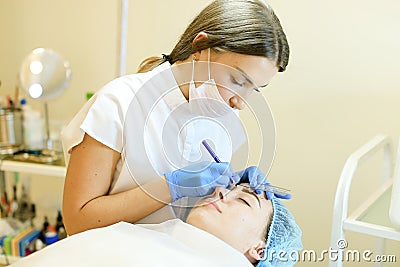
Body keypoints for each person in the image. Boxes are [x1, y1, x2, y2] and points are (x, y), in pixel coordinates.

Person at [61, 0, 290, 235]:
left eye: (255, 89)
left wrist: (236, 189)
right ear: (201, 47)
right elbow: (78, 222)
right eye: (237, 81)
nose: (240, 102)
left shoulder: (227, 122)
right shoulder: (119, 102)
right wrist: (170, 186)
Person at [10, 184, 302, 267]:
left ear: (260, 249)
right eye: (227, 188)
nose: (221, 192)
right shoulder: (154, 236)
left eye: (244, 200)